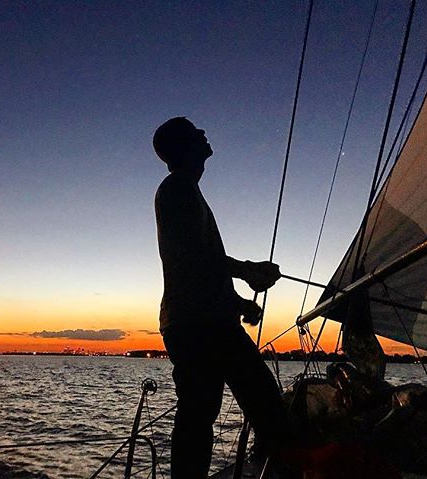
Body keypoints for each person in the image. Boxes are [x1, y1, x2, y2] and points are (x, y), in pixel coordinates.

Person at [152, 117, 293, 478]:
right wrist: (248, 269)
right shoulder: (176, 190)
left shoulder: (186, 191)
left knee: (208, 412)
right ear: (185, 147)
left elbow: (200, 268)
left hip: (202, 321)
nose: (204, 133)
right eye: (195, 132)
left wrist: (239, 303)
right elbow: (191, 258)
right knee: (248, 407)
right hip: (199, 325)